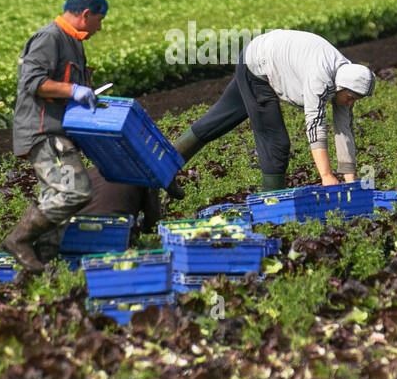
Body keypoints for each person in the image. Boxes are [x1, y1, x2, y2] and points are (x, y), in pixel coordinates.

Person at [168, 29, 375, 193]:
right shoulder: (320, 77)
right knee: (276, 144)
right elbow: (315, 127)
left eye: (354, 100)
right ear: (340, 87)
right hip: (257, 68)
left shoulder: (347, 77)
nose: (350, 103)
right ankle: (271, 211)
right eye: (350, 98)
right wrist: (327, 176)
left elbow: (343, 131)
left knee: (217, 120)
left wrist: (350, 183)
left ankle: (164, 170)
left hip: (262, 55)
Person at [2, 0, 107, 269]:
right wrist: (73, 89)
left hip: (58, 131)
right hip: (43, 130)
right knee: (76, 191)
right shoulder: (49, 38)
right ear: (86, 15)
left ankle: (44, 264)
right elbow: (32, 82)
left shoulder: (74, 42)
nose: (101, 26)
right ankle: (18, 239)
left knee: (57, 199)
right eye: (100, 19)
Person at [34, 167, 162, 261]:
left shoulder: (88, 173)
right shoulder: (142, 176)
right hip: (114, 236)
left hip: (76, 236)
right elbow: (153, 224)